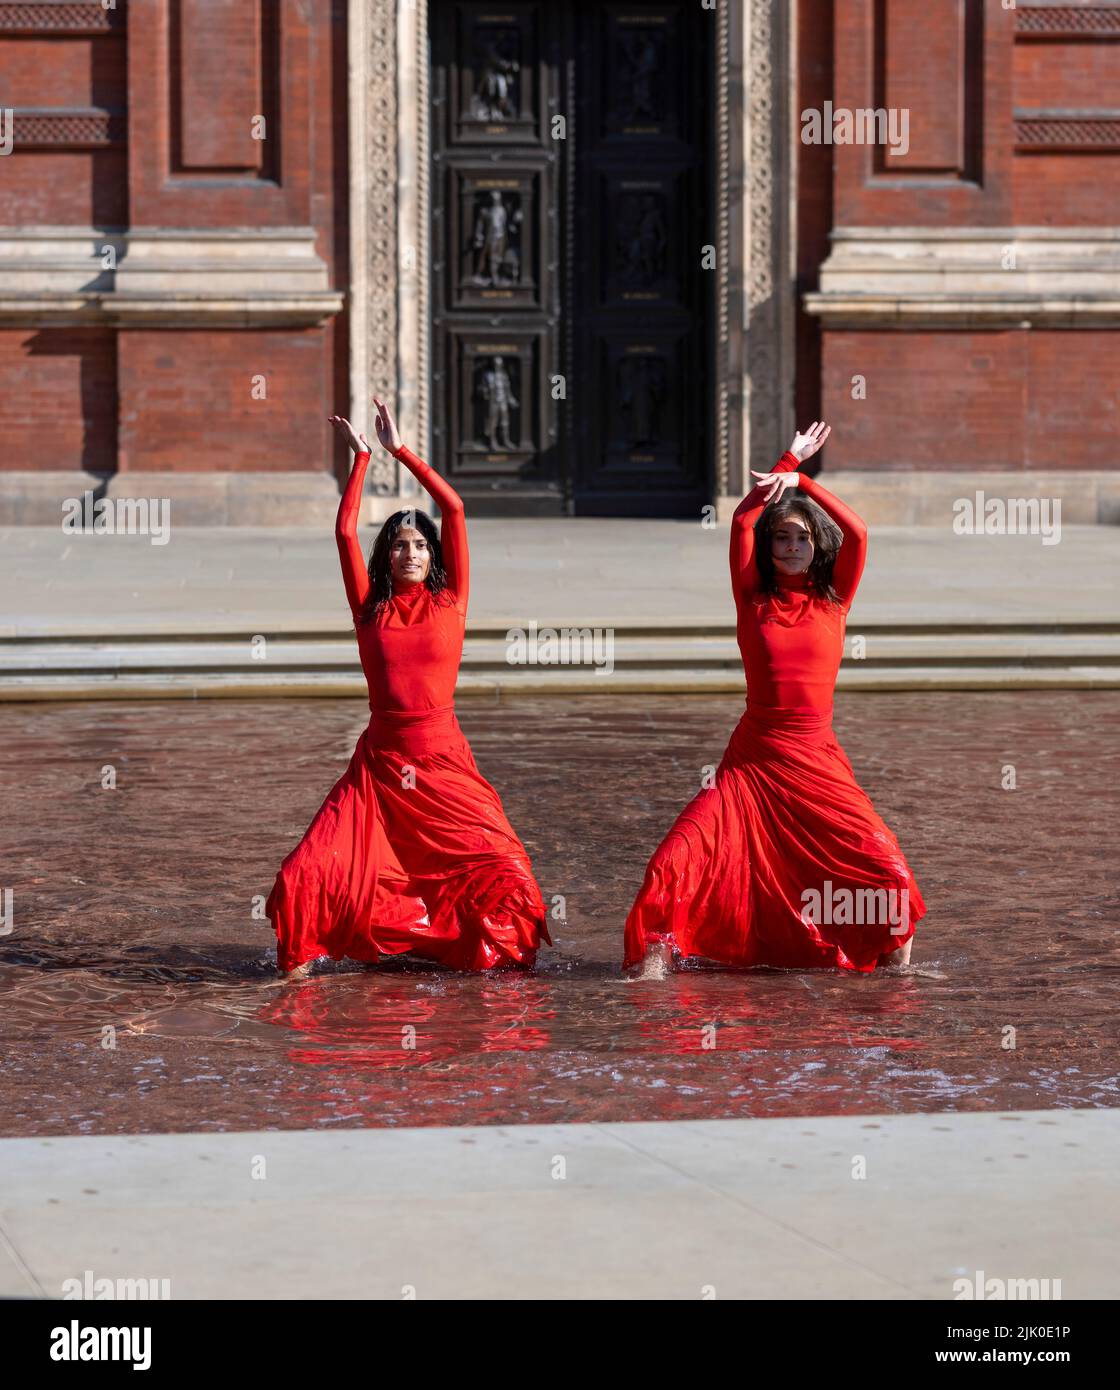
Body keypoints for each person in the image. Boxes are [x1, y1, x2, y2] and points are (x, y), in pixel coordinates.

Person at [624, 420, 925, 976]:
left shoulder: (835, 599)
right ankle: (652, 975)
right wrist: (782, 466)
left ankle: (899, 973)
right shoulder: (751, 597)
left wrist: (799, 479)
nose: (791, 547)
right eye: (782, 538)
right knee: (677, 858)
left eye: (802, 539)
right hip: (753, 760)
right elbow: (741, 520)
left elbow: (858, 533)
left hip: (816, 758)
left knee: (885, 868)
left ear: (816, 545)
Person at [266, 397, 550, 978]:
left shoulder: (453, 602)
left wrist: (402, 451)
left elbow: (455, 506)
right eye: (400, 544)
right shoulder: (369, 609)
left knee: (507, 875)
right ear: (387, 555)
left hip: (444, 759)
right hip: (381, 766)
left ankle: (491, 975)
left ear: (433, 554)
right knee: (305, 874)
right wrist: (364, 459)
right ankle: (294, 987)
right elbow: (345, 528)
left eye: (421, 544)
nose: (411, 552)